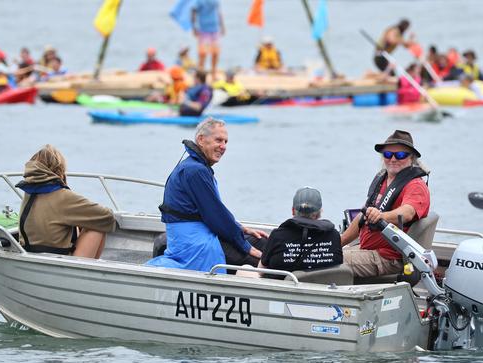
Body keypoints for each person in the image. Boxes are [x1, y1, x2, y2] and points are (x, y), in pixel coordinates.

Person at [147, 118, 267, 273]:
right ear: (201, 140)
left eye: (226, 142)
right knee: (260, 260)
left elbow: (214, 212)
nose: (223, 146)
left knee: (261, 241)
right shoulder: (196, 171)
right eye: (218, 140)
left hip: (199, 232)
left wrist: (241, 229)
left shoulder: (195, 166)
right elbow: (215, 216)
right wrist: (247, 247)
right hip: (195, 245)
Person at [340, 130, 430, 278]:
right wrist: (340, 241)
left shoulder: (415, 186)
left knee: (328, 261)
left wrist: (381, 216)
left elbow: (407, 213)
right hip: (367, 250)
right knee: (323, 254)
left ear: (411, 158)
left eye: (400, 155)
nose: (393, 159)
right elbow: (363, 218)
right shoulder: (382, 180)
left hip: (389, 258)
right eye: (388, 154)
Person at [16, 145, 116, 259]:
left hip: (30, 255)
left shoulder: (29, 191)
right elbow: (107, 216)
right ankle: (88, 272)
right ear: (59, 169)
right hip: (59, 261)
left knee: (82, 220)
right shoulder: (62, 196)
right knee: (97, 225)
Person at [256, 187, 343, 279]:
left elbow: (261, 270)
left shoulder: (278, 235)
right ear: (319, 213)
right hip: (325, 287)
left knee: (246, 269)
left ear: (293, 210)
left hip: (282, 289)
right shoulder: (333, 235)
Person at [192, 0, 225, 81]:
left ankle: (213, 74)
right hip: (203, 30)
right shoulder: (199, 1)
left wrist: (222, 26)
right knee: (202, 54)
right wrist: (194, 28)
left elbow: (218, 12)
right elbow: (193, 12)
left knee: (215, 53)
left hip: (215, 29)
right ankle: (200, 76)